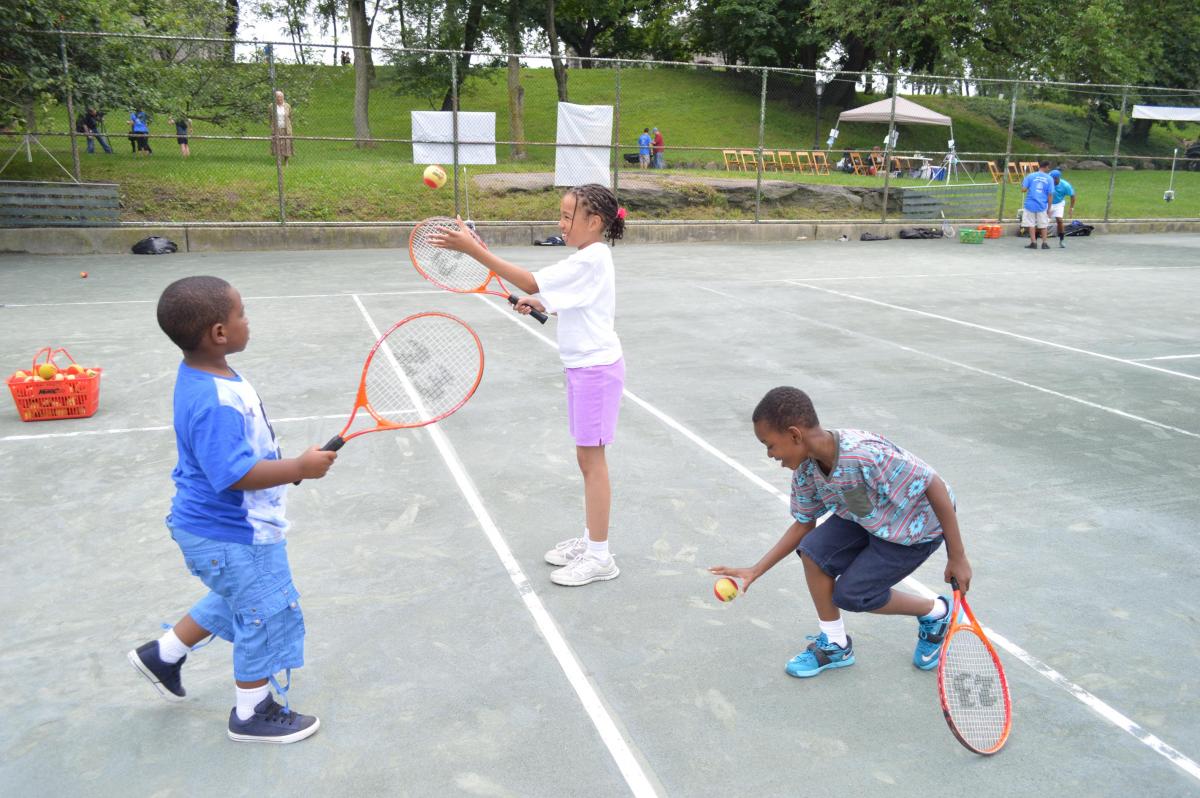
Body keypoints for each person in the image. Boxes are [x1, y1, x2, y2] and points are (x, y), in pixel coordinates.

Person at [127, 276, 337, 743]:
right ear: (219, 333)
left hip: (213, 527)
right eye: (242, 313)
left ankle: (164, 654)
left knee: (241, 595)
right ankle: (251, 712)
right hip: (233, 533)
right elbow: (232, 473)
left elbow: (234, 459)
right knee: (264, 610)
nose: (248, 320)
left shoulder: (205, 374)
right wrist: (297, 467)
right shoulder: (216, 399)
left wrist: (290, 470)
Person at [430, 185, 627, 587]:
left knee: (593, 463)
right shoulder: (588, 257)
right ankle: (591, 540)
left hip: (596, 370)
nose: (561, 223)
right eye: (562, 214)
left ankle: (600, 556)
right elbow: (564, 298)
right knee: (586, 460)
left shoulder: (592, 258)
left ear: (594, 222)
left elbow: (531, 282)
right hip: (584, 368)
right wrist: (541, 304)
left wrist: (473, 250)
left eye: (568, 216)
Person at [710, 387, 972, 678]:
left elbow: (932, 484)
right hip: (869, 518)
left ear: (795, 435)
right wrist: (755, 570)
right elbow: (803, 525)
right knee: (813, 551)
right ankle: (836, 644)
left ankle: (937, 612)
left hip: (914, 530)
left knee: (852, 595)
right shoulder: (806, 471)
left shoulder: (864, 455)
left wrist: (957, 556)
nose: (769, 454)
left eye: (769, 445)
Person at [1020, 160, 1054, 249]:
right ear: (1046, 167)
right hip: (1042, 204)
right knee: (1043, 224)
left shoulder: (1030, 176)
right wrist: (1049, 208)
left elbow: (1023, 189)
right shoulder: (1049, 179)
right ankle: (1044, 243)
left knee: (1031, 224)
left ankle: (1033, 242)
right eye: (1048, 167)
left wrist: (1023, 184)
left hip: (1030, 203)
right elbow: (1050, 194)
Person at [1049, 169, 1077, 248]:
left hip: (1059, 203)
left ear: (1057, 178)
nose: (1051, 180)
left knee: (1059, 220)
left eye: (1052, 178)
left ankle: (1061, 240)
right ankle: (1037, 240)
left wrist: (1071, 208)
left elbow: (1072, 196)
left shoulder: (1065, 185)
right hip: (1047, 203)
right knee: (1043, 222)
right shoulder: (1048, 183)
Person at [270, 90, 294, 166]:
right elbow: (270, 117)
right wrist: (272, 126)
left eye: (281, 97)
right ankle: (279, 161)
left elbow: (290, 117)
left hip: (286, 128)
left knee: (287, 144)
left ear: (283, 97)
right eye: (278, 97)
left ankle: (286, 161)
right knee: (277, 144)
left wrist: (289, 126)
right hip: (277, 128)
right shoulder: (271, 106)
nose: (279, 99)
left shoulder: (287, 106)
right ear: (275, 98)